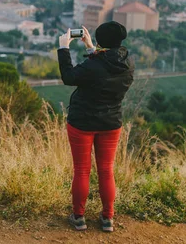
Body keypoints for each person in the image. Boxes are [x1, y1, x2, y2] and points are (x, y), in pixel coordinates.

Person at [57, 21, 134, 232]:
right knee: (106, 170)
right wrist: (91, 48)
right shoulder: (127, 64)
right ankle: (108, 218)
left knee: (82, 170)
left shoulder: (92, 67)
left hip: (82, 122)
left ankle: (79, 217)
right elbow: (105, 66)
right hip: (111, 123)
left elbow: (69, 77)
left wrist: (64, 48)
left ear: (101, 41)